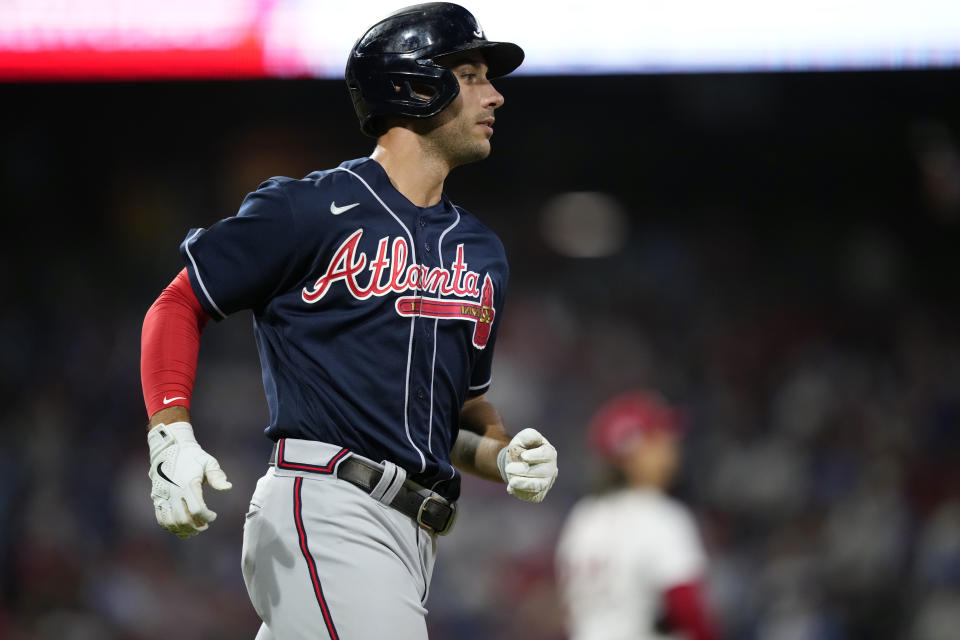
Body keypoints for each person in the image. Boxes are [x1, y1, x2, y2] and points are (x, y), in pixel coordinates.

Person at [138, 4, 559, 639]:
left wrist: (502, 457)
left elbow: (456, 418)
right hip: (329, 507)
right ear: (414, 83)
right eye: (471, 74)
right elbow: (178, 302)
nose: (495, 94)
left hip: (412, 538)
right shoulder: (307, 209)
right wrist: (170, 432)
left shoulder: (481, 251)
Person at [555, 391, 719, 640]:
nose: (671, 446)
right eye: (659, 439)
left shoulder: (582, 518)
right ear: (631, 454)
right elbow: (687, 608)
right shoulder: (660, 516)